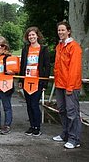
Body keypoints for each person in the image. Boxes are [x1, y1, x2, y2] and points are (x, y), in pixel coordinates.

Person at [52, 21, 82, 149]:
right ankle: (65, 134)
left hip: (71, 86)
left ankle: (74, 139)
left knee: (72, 113)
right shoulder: (59, 46)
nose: (60, 32)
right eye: (59, 30)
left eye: (63, 30)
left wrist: (70, 87)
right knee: (62, 110)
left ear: (68, 31)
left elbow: (74, 69)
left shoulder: (74, 47)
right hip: (60, 84)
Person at [18, 26, 50, 137]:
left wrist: (45, 82)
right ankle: (31, 126)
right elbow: (22, 65)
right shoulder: (25, 49)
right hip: (27, 80)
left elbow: (47, 66)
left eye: (33, 34)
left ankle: (37, 127)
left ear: (37, 35)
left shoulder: (43, 49)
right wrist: (20, 80)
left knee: (34, 104)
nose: (31, 37)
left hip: (38, 81)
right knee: (28, 104)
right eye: (29, 35)